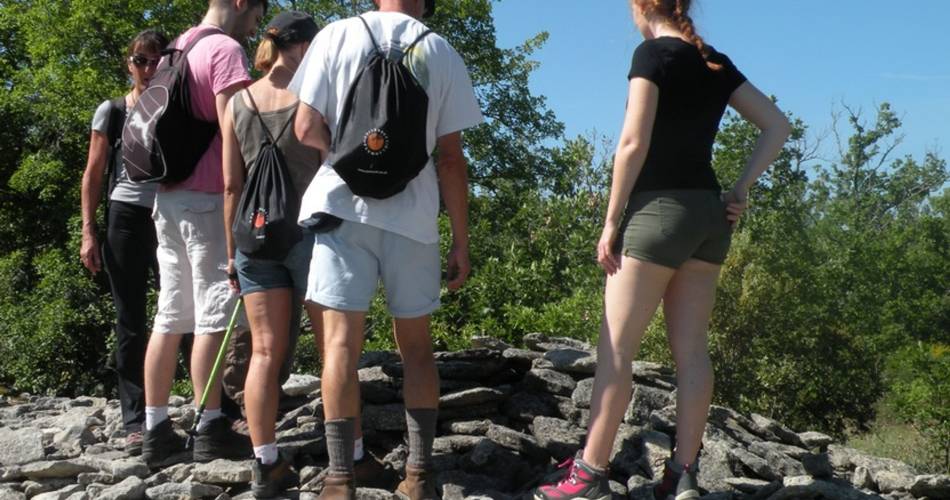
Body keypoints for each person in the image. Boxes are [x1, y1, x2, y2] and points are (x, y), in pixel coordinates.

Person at [532, 1, 792, 499]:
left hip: (657, 213)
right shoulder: (713, 60)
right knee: (692, 351)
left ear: (640, 6)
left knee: (617, 350)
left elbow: (633, 142)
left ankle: (587, 476)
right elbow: (776, 125)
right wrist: (739, 189)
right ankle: (682, 474)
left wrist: (610, 222)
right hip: (707, 218)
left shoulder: (652, 55)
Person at [290, 0, 483, 497]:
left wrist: (350, 156)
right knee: (417, 349)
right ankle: (418, 476)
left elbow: (305, 128)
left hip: (341, 210)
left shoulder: (335, 36)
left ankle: (339, 479)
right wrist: (461, 241)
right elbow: (451, 159)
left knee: (339, 346)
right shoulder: (441, 51)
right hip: (413, 220)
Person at [141, 0, 268, 467]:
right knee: (214, 312)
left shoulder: (178, 45)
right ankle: (210, 426)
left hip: (167, 197)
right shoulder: (224, 50)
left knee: (171, 313)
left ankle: (156, 430)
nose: (256, 25)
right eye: (257, 14)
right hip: (208, 198)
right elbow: (238, 128)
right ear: (239, 3)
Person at [220, 11, 320, 497]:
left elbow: (230, 185)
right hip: (308, 236)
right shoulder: (313, 97)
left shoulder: (237, 102)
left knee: (262, 351)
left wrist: (230, 253)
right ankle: (349, 456)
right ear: (300, 47)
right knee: (331, 348)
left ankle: (266, 463)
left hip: (252, 240)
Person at [80, 29, 169, 457]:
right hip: (127, 216)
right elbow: (94, 172)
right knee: (130, 318)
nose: (148, 69)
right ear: (128, 64)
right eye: (140, 61)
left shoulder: (177, 107)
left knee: (182, 310)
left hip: (171, 212)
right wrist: (88, 231)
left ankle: (210, 407)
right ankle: (135, 419)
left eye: (156, 61)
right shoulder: (112, 110)